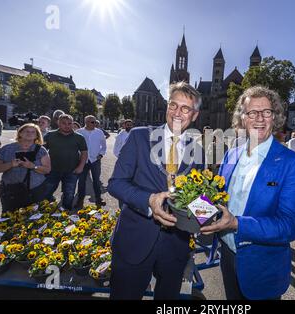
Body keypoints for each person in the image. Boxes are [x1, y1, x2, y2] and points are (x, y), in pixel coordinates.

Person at [200, 86, 295, 300]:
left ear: (275, 117)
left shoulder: (293, 163)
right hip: (227, 256)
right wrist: (192, 206)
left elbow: (290, 226)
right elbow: (218, 199)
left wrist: (237, 224)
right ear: (243, 118)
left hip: (261, 267)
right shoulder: (232, 154)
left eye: (266, 112)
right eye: (252, 112)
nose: (259, 118)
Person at [108, 81, 204, 300]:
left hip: (176, 247)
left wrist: (207, 216)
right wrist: (148, 200)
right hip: (135, 241)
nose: (177, 113)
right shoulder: (139, 136)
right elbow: (116, 183)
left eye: (185, 108)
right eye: (173, 105)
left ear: (195, 115)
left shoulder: (198, 151)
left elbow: (199, 196)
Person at [0, 123, 51, 212]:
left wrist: (33, 166)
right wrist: (10, 164)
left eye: (33, 132)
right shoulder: (7, 149)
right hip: (10, 190)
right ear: (20, 133)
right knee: (9, 218)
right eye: (26, 131)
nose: (29, 133)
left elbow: (47, 170)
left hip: (35, 190)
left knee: (33, 219)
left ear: (37, 136)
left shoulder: (41, 150)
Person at [44, 114, 88, 210]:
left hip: (72, 171)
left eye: (69, 123)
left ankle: (65, 213)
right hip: (52, 170)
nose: (67, 125)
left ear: (72, 124)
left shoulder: (79, 137)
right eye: (64, 123)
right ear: (58, 123)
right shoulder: (49, 135)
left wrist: (81, 167)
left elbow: (84, 153)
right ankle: (44, 213)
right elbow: (41, 152)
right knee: (46, 192)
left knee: (69, 194)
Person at [76, 115, 107, 208]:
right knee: (81, 181)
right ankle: (80, 201)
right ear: (86, 122)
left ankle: (98, 199)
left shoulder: (99, 132)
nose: (95, 124)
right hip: (82, 161)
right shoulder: (79, 132)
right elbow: (75, 146)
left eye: (95, 122)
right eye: (93, 122)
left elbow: (104, 145)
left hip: (95, 160)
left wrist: (101, 155)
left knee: (96, 181)